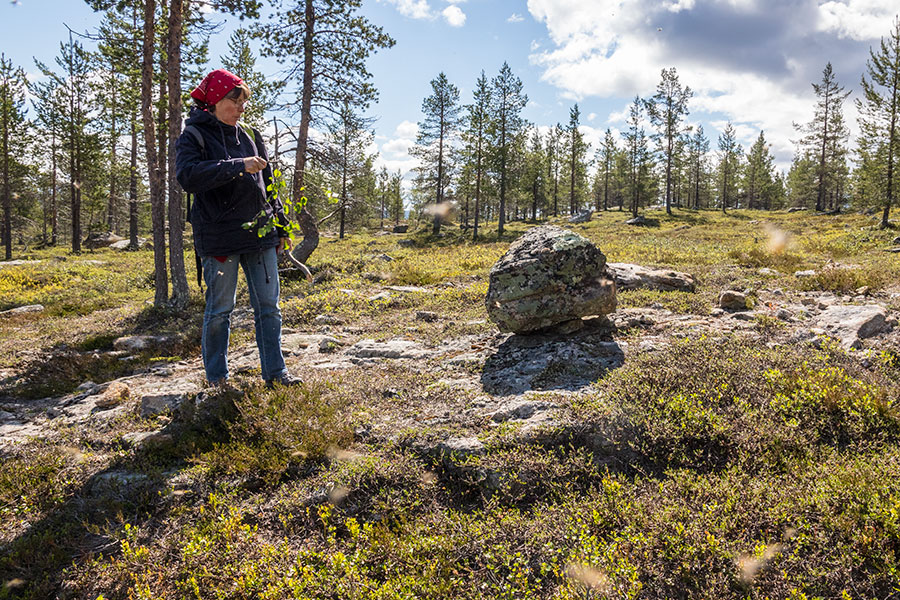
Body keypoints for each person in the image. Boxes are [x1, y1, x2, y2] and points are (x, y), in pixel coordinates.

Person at [175, 68, 301, 389]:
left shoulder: (250, 135)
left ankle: (275, 373)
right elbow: (188, 176)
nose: (242, 107)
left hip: (260, 235)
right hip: (218, 239)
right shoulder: (194, 136)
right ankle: (217, 380)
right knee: (220, 310)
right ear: (216, 100)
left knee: (269, 307)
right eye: (236, 100)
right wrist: (238, 165)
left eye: (244, 100)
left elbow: (268, 183)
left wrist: (281, 226)